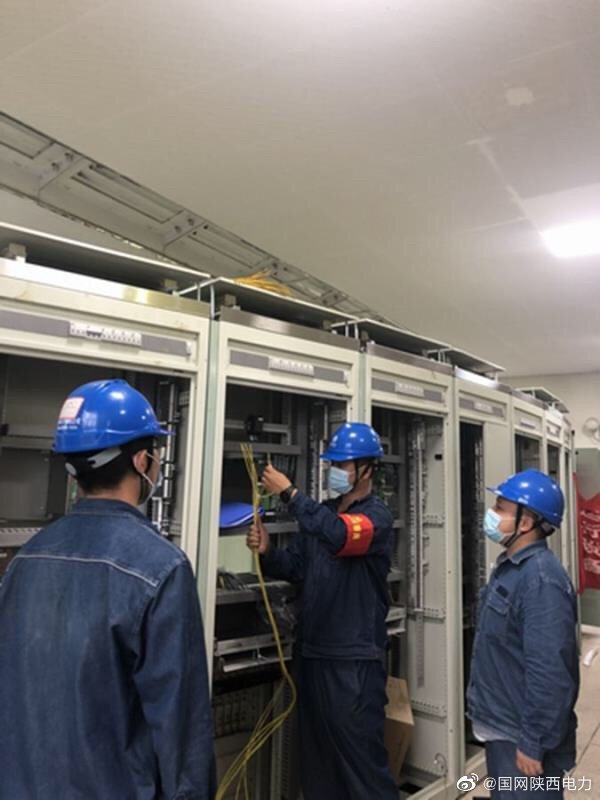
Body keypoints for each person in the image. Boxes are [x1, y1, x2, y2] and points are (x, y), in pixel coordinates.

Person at [0, 379, 215, 799]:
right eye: (155, 453)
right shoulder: (162, 568)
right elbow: (181, 732)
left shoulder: (26, 559)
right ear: (142, 461)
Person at [246, 422, 398, 800]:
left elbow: (341, 535)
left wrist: (290, 494)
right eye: (333, 464)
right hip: (312, 654)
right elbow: (296, 567)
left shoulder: (376, 517)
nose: (335, 471)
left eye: (342, 464)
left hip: (352, 662)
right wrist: (268, 552)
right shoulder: (324, 513)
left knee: (361, 766)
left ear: (367, 469)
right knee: (318, 766)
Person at [467, 469, 579, 799]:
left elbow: (550, 672)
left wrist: (533, 742)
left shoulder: (541, 581)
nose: (492, 514)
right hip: (504, 726)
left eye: (500, 508)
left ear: (526, 523)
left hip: (521, 736)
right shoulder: (512, 568)